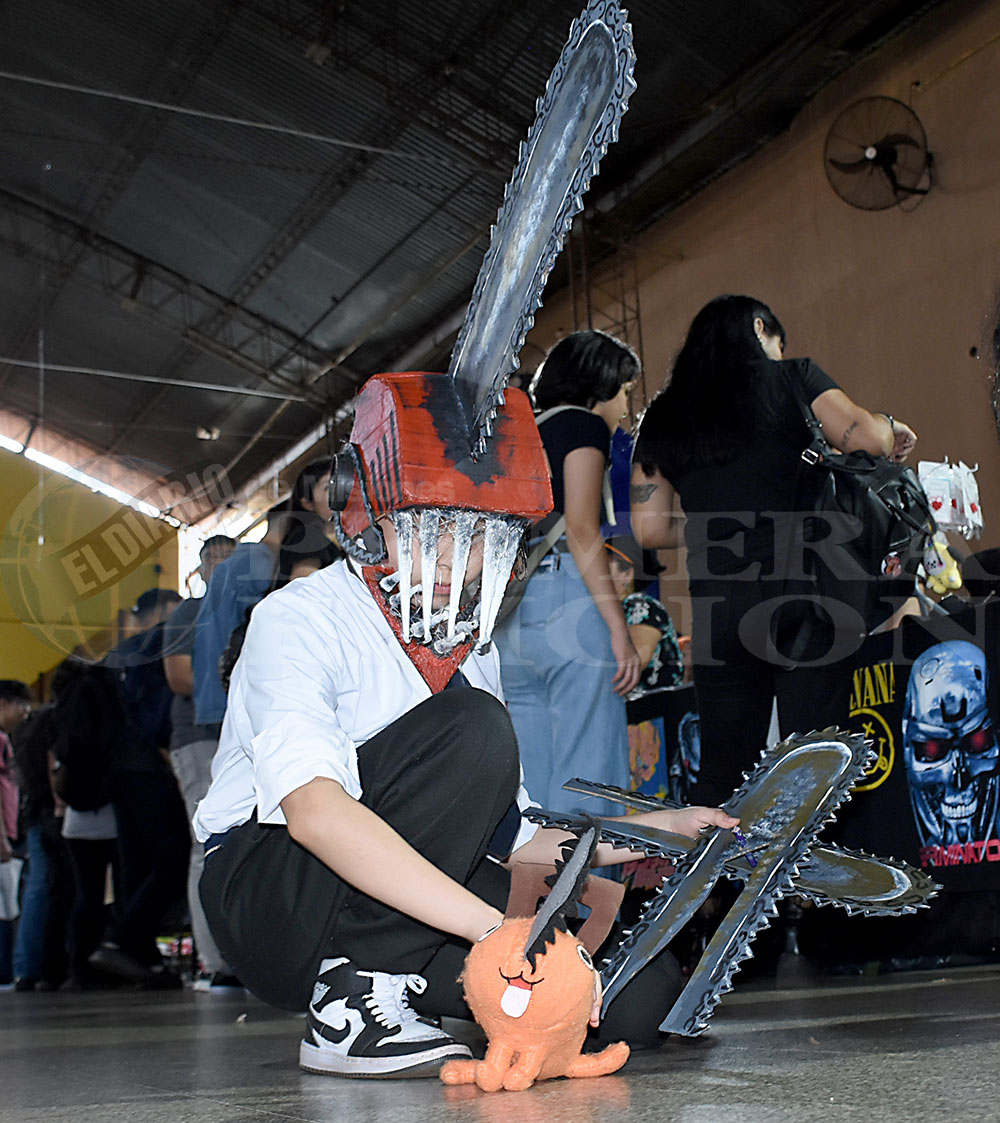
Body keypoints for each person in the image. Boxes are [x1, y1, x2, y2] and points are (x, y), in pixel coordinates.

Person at [193, 368, 738, 1080]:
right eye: (434, 530)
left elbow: (513, 837)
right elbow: (315, 814)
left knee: (632, 997)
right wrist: (494, 932)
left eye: (483, 537)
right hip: (273, 893)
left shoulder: (473, 646)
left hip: (383, 896)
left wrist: (660, 830)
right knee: (475, 730)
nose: (457, 560)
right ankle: (352, 1004)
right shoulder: (299, 617)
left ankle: (401, 982)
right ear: (371, 516)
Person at [630, 294, 918, 805]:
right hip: (806, 597)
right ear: (760, 329)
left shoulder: (665, 415)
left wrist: (715, 524)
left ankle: (714, 860)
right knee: (814, 762)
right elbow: (867, 438)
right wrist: (891, 424)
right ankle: (810, 862)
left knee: (722, 772)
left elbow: (649, 529)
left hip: (719, 609)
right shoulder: (792, 378)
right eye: (778, 344)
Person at [495, 331, 642, 816]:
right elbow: (580, 528)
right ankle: (586, 869)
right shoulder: (583, 425)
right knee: (590, 772)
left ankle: (536, 866)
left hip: (512, 612)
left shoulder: (519, 432)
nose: (626, 406)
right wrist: (617, 627)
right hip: (565, 599)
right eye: (624, 391)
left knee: (532, 777)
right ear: (600, 384)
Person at [89, 589, 190, 988]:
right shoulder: (162, 641)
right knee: (174, 858)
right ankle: (124, 940)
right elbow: (158, 711)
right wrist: (168, 750)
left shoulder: (118, 653)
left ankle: (140, 958)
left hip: (116, 770)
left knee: (134, 865)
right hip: (151, 767)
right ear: (163, 610)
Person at [162, 535, 236, 990]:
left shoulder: (248, 611)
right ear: (203, 568)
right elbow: (178, 677)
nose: (226, 570)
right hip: (199, 738)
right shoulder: (189, 613)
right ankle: (213, 962)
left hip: (237, 738)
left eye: (233, 561)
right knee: (206, 846)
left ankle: (240, 959)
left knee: (239, 846)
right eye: (218, 561)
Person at [0, 681, 31, 985]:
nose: (25, 713)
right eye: (21, 706)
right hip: (4, 835)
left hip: (9, 832)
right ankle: (5, 972)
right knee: (5, 907)